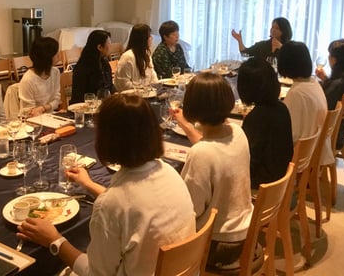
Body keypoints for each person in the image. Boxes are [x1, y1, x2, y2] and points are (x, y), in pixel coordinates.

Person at [17, 94, 195, 275]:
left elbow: (95, 273)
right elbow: (131, 203)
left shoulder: (112, 204)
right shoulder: (169, 172)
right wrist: (88, 184)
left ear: (105, 139)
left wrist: (54, 240)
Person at [172, 72, 253, 271]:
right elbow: (211, 146)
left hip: (218, 244)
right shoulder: (238, 132)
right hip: (246, 230)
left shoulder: (201, 154)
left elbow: (190, 210)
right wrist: (185, 124)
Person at [237, 58, 293, 189]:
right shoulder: (281, 108)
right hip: (279, 176)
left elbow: (247, 161)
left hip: (261, 183)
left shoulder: (257, 118)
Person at [278, 42, 327, 158]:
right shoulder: (314, 83)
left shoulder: (297, 93)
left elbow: (290, 135)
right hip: (314, 149)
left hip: (298, 156)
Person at [316, 39, 344, 152]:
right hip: (340, 133)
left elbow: (324, 108)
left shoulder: (338, 84)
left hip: (328, 136)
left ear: (336, 60)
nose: (328, 58)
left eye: (330, 55)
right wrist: (326, 79)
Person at [70, 30, 116, 104]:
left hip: (105, 103)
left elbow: (110, 86)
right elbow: (78, 97)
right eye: (109, 43)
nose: (111, 46)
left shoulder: (104, 62)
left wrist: (117, 95)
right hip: (88, 106)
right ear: (99, 47)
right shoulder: (83, 67)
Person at [18, 37, 61, 116]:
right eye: (56, 53)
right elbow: (29, 112)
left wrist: (43, 108)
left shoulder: (55, 72)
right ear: (47, 57)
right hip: (32, 119)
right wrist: (45, 110)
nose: (59, 56)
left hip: (49, 116)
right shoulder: (28, 79)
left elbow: (57, 99)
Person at [114, 24, 158, 92]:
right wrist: (142, 89)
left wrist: (155, 86)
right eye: (149, 36)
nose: (151, 38)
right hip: (131, 95)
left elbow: (152, 73)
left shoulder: (146, 53)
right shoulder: (128, 57)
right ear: (143, 39)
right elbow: (123, 84)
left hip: (147, 92)